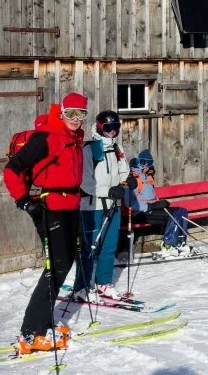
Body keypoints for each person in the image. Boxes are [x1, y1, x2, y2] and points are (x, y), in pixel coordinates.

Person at [2, 92, 87, 354]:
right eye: (70, 113)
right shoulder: (47, 137)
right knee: (55, 267)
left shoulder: (75, 137)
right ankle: (32, 332)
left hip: (71, 205)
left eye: (80, 114)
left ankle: (44, 323)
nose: (75, 119)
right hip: (51, 208)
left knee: (65, 263)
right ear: (60, 112)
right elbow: (12, 169)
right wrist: (24, 200)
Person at [76, 110, 129, 301]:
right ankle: (81, 287)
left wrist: (127, 180)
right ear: (99, 127)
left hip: (113, 204)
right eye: (108, 127)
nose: (112, 131)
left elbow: (123, 170)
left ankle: (103, 283)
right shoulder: (90, 149)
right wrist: (109, 191)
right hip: (93, 206)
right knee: (90, 247)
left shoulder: (117, 148)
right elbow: (85, 181)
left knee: (109, 246)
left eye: (116, 127)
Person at [126, 149, 191, 259]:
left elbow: (151, 196)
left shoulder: (148, 177)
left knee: (182, 211)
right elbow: (130, 204)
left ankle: (179, 241)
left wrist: (160, 203)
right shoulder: (132, 179)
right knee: (175, 214)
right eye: (142, 162)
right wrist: (151, 206)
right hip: (140, 213)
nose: (146, 165)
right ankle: (168, 244)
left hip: (152, 210)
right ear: (137, 161)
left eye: (149, 162)